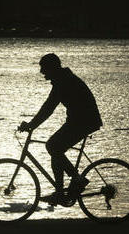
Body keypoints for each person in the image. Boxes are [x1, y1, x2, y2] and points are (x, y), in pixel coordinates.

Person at [19, 53, 103, 206]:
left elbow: (48, 108)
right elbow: (48, 107)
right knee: (54, 147)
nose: (41, 72)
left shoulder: (63, 82)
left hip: (84, 121)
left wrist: (31, 125)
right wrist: (32, 124)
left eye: (43, 68)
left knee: (53, 146)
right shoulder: (63, 79)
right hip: (80, 120)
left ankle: (75, 181)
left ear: (52, 68)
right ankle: (61, 191)